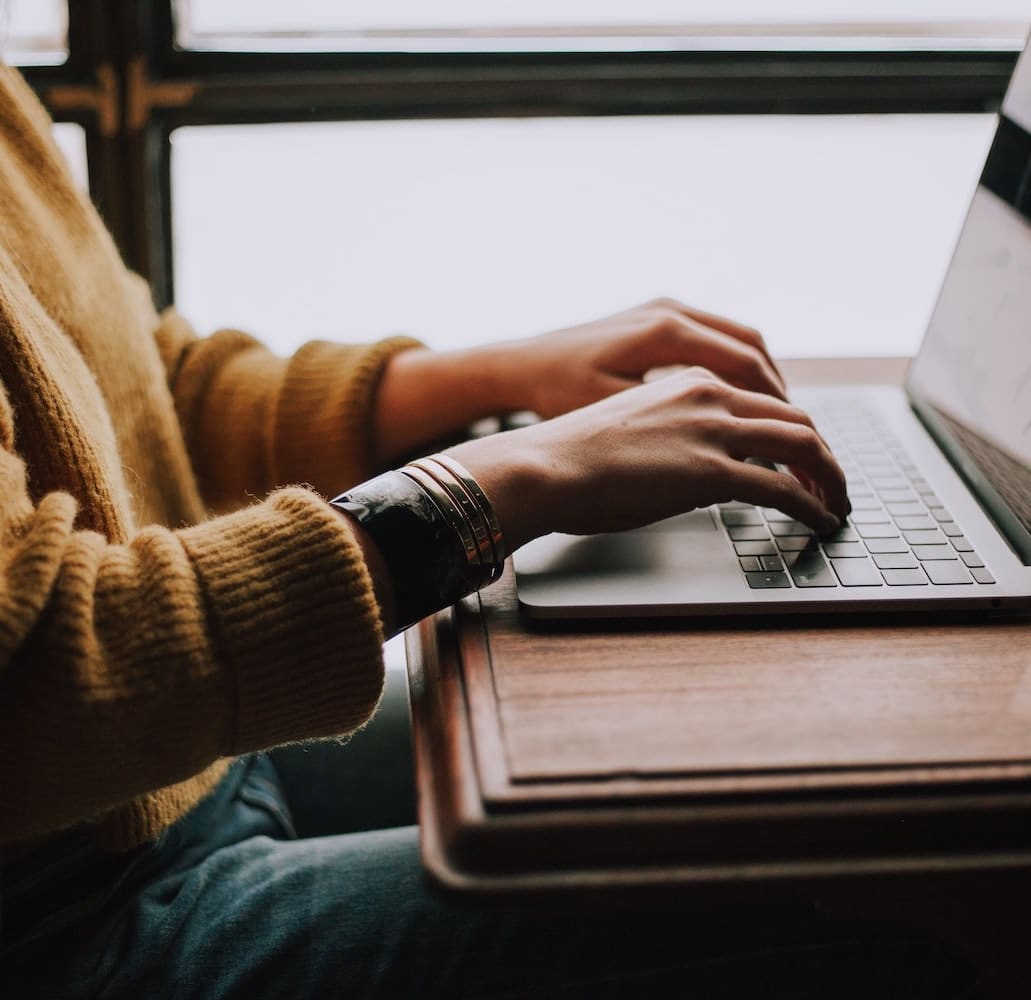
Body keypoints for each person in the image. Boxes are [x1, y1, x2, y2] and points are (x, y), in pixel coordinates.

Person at [0, 61, 974, 999]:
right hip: (69, 915)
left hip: (175, 774)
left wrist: (498, 377)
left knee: (754, 774)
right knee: (859, 900)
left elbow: (143, 389)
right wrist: (504, 479)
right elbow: (44, 673)